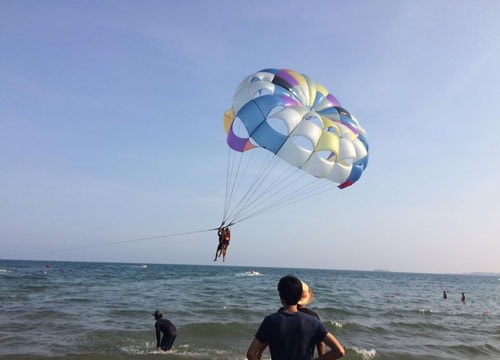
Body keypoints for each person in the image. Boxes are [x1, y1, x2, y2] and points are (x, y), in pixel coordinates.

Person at [246, 275, 345, 360]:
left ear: (281, 298)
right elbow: (339, 351)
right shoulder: (313, 322)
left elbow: (251, 353)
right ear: (299, 297)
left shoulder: (270, 321)